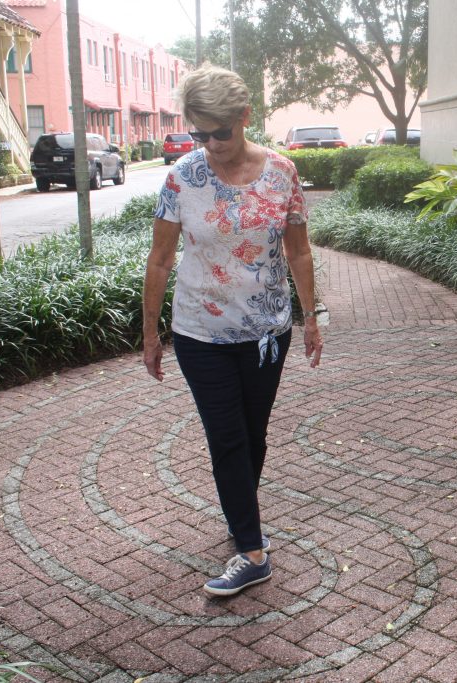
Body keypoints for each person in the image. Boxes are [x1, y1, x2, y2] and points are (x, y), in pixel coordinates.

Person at [142, 63, 323, 596]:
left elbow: (299, 250)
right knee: (226, 436)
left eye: (221, 130)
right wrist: (151, 335)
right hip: (201, 333)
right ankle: (251, 550)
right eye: (200, 133)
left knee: (253, 435)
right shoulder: (182, 179)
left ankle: (239, 514)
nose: (212, 143)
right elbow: (159, 260)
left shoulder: (282, 173)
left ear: (244, 117)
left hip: (268, 331)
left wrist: (312, 319)